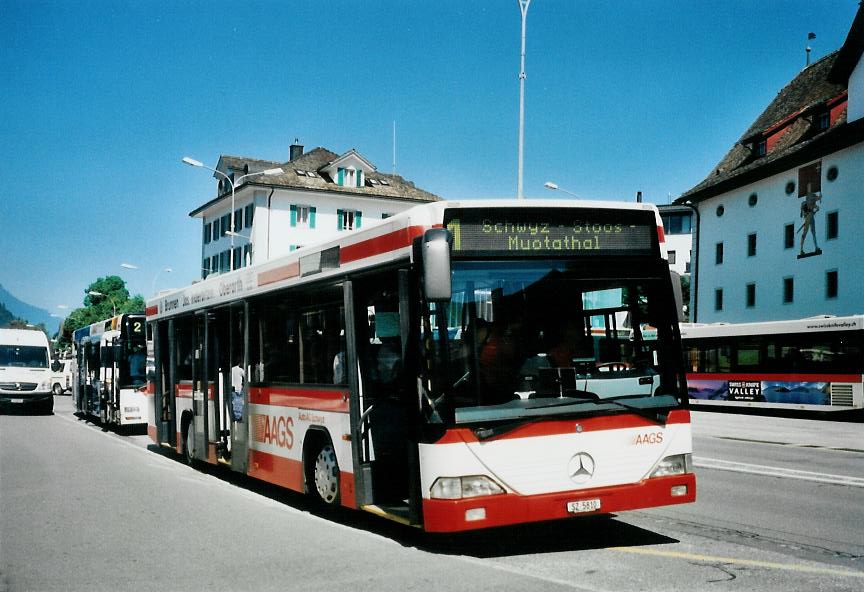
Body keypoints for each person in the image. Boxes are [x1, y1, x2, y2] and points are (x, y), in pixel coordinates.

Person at [231, 355, 245, 422]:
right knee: (239, 403)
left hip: (233, 389)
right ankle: (238, 417)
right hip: (239, 389)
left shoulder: (231, 370)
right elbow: (246, 376)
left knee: (234, 403)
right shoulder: (240, 370)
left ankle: (235, 417)